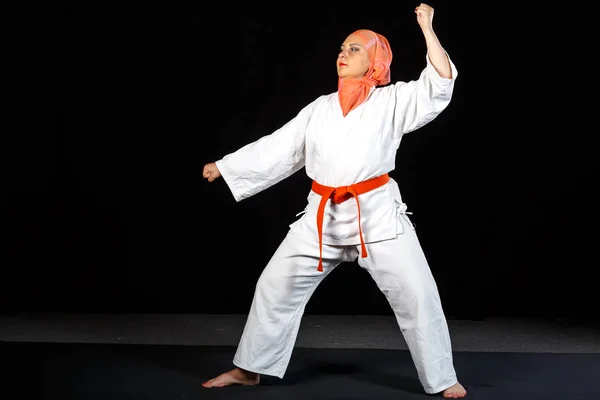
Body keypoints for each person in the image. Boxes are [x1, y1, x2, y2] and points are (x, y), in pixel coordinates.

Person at [201, 3, 466, 398]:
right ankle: (249, 369)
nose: (343, 53)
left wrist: (428, 29)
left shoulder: (393, 102)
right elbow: (281, 147)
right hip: (320, 219)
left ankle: (443, 379)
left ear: (376, 61)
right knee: (274, 285)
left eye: (355, 49)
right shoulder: (320, 109)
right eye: (342, 47)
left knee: (418, 293)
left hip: (376, 216)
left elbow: (440, 83)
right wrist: (228, 167)